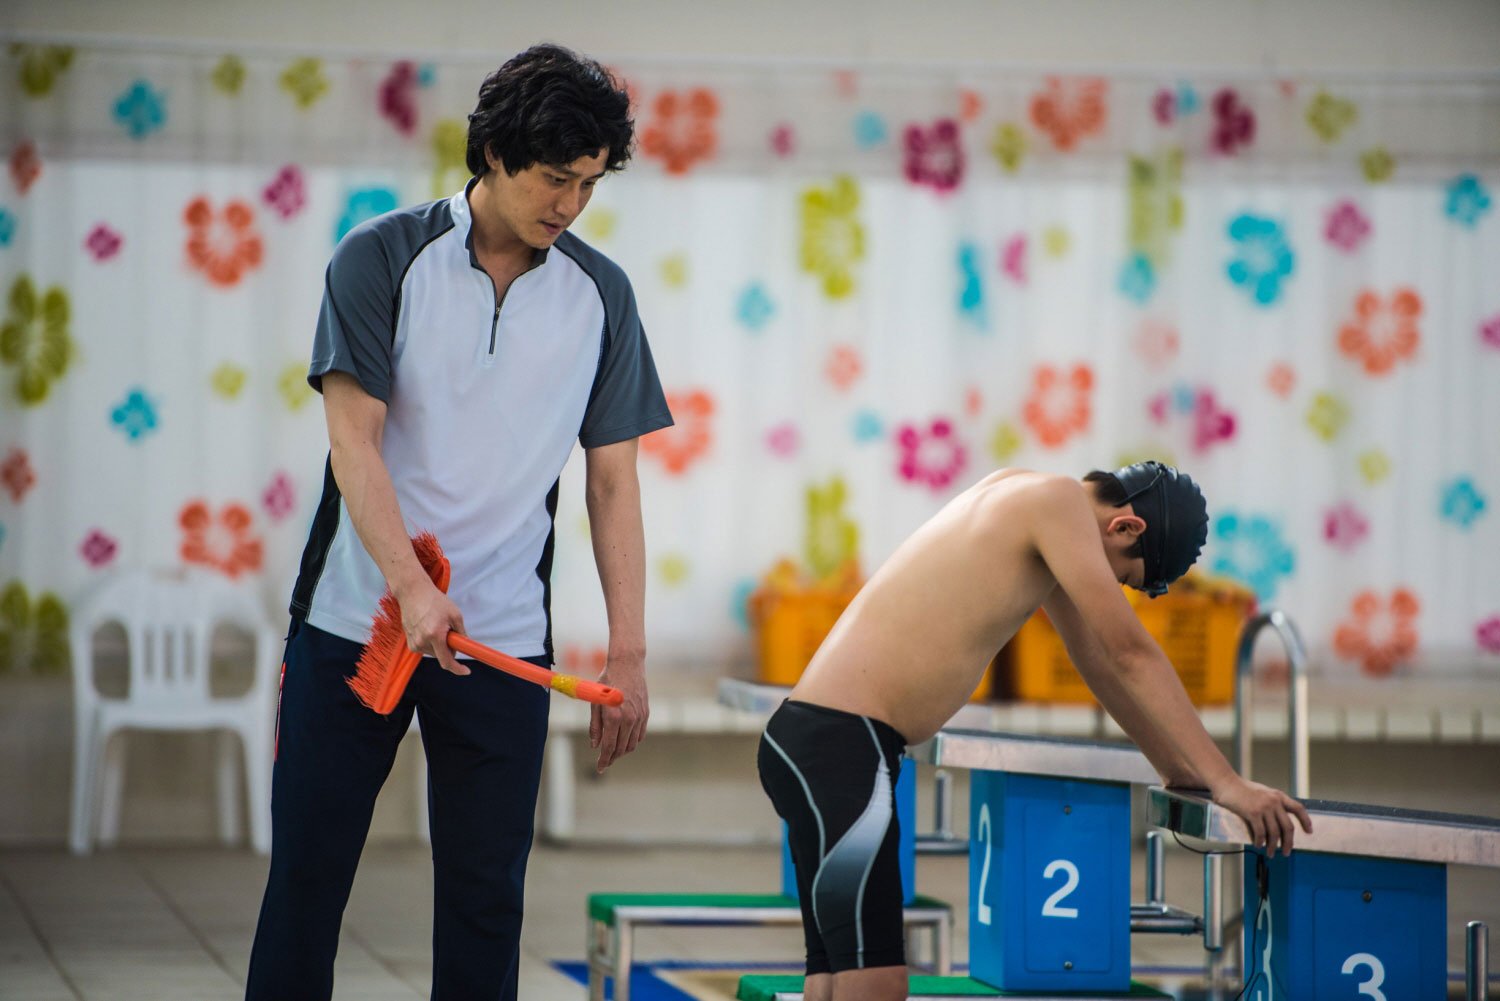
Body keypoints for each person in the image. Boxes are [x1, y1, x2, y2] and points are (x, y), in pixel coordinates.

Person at [245, 44, 672, 1001]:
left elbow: (613, 483)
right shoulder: (382, 258)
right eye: (555, 178)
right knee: (307, 886)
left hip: (503, 646)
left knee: (486, 902)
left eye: (589, 185)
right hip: (359, 627)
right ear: (492, 153)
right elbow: (354, 447)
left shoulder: (601, 296)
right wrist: (412, 588)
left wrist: (630, 653)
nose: (569, 204)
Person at [758, 462, 1313, 1001]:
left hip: (820, 744)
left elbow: (1096, 660)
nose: (1112, 586)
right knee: (876, 983)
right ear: (1126, 526)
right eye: (1122, 576)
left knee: (834, 976)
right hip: (842, 749)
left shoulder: (1027, 497)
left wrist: (1175, 769)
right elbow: (1130, 653)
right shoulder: (1056, 504)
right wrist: (1227, 781)